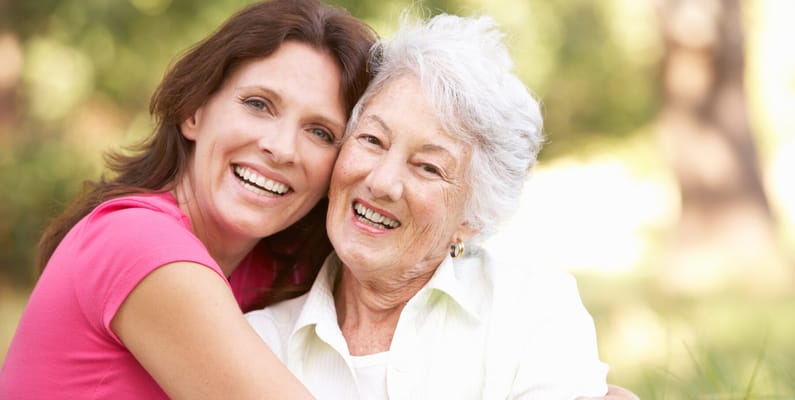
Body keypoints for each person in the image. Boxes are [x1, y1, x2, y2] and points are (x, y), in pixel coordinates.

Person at [0, 0, 375, 398]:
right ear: (193, 111)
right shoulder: (139, 243)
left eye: (320, 132)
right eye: (258, 104)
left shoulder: (276, 270)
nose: (281, 148)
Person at [245, 12, 614, 399]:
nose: (381, 181)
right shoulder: (261, 342)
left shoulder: (533, 309)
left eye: (428, 167)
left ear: (473, 217)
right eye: (372, 140)